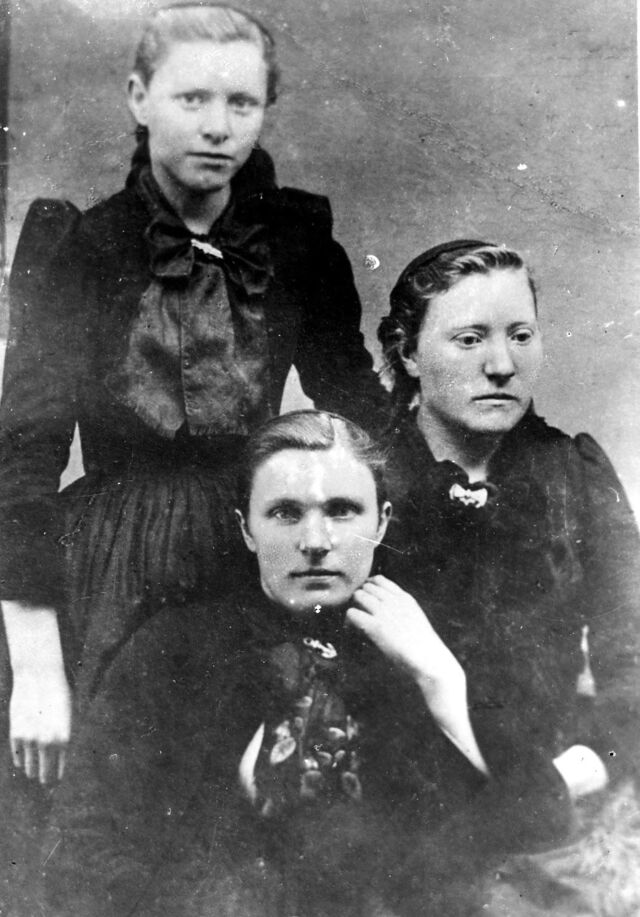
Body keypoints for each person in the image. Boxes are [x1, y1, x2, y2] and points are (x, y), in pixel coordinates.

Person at [0, 3, 386, 910]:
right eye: (192, 98)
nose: (218, 126)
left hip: (255, 545)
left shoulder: (295, 242)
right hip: (110, 562)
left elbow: (360, 414)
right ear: (139, 98)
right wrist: (39, 670)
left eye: (241, 103)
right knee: (113, 823)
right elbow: (22, 458)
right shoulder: (83, 248)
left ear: (264, 110)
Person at [41, 410, 617, 917]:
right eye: (285, 513)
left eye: (341, 511)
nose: (315, 540)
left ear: (382, 523)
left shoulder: (426, 639)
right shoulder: (174, 649)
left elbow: (535, 820)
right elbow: (84, 851)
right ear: (246, 529)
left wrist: (440, 679)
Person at [377, 239, 640, 913]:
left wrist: (582, 769)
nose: (501, 364)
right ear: (408, 353)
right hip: (400, 819)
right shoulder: (364, 480)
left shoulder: (575, 474)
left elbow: (634, 660)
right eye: (469, 339)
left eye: (521, 335)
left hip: (550, 812)